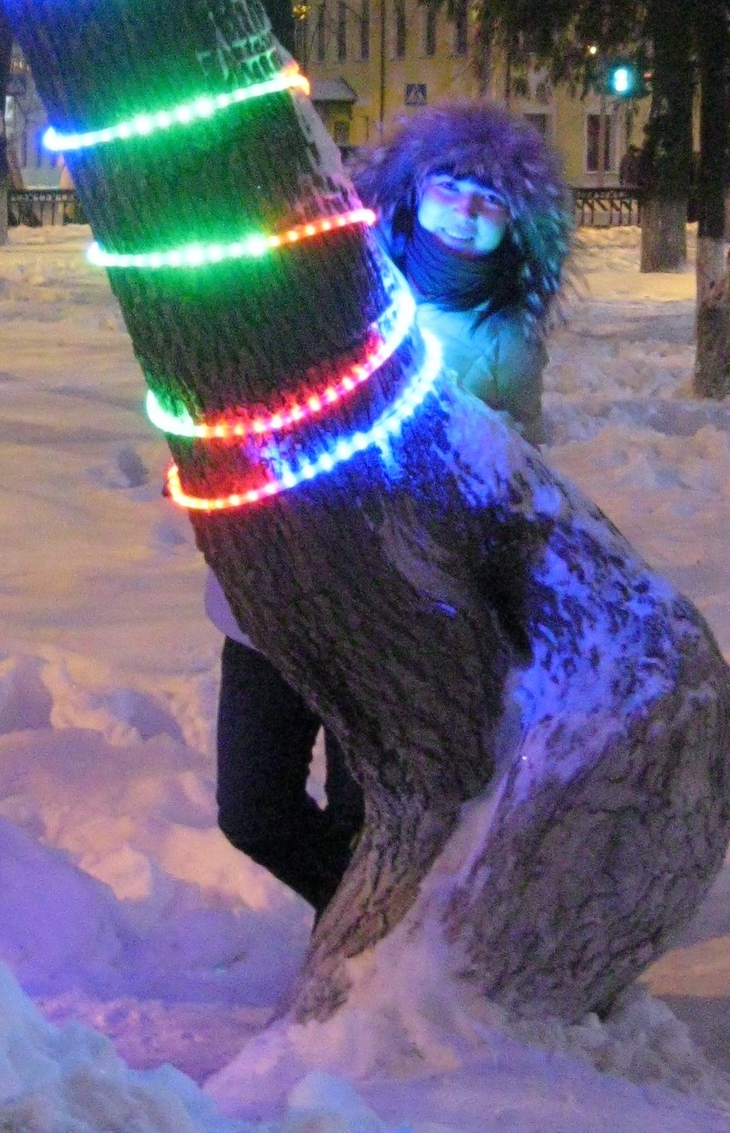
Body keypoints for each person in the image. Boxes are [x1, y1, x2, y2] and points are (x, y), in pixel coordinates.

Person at [205, 99, 574, 913]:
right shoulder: (336, 276)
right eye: (450, 187)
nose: (465, 213)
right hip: (278, 588)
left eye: (490, 202)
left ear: (515, 224)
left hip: (392, 614)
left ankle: (364, 953)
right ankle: (362, 930)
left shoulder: (505, 341)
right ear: (412, 188)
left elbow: (509, 472)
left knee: (364, 813)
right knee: (252, 808)